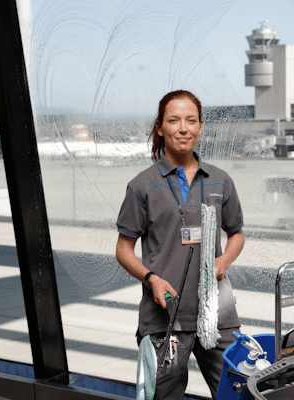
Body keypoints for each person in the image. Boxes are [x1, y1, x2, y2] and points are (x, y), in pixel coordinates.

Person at [116, 90, 245, 399]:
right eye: (174, 121)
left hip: (218, 315)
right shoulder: (142, 186)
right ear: (160, 127)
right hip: (165, 317)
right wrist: (152, 279)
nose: (183, 128)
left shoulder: (220, 181)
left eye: (191, 120)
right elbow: (123, 249)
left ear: (200, 127)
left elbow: (237, 234)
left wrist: (224, 260)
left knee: (239, 392)